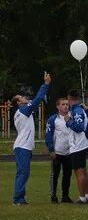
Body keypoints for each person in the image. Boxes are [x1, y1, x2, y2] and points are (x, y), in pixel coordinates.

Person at [12, 72, 50, 206]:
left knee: (21, 172)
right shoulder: (23, 110)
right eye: (21, 97)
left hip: (21, 145)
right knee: (24, 172)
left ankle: (18, 197)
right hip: (23, 146)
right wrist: (45, 84)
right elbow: (38, 99)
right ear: (18, 102)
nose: (24, 97)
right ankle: (18, 199)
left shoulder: (19, 113)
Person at [64, 89, 88, 204]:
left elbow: (79, 127)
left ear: (69, 98)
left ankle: (82, 198)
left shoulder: (76, 111)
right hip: (82, 143)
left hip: (78, 145)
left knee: (79, 171)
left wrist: (69, 121)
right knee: (84, 171)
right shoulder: (79, 109)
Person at [46, 96, 73, 203]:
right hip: (57, 152)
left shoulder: (72, 117)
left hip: (70, 151)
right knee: (55, 175)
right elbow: (48, 135)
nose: (66, 106)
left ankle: (65, 196)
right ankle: (53, 195)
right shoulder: (53, 119)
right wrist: (51, 149)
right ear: (58, 106)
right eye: (63, 104)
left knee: (67, 175)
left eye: (67, 104)